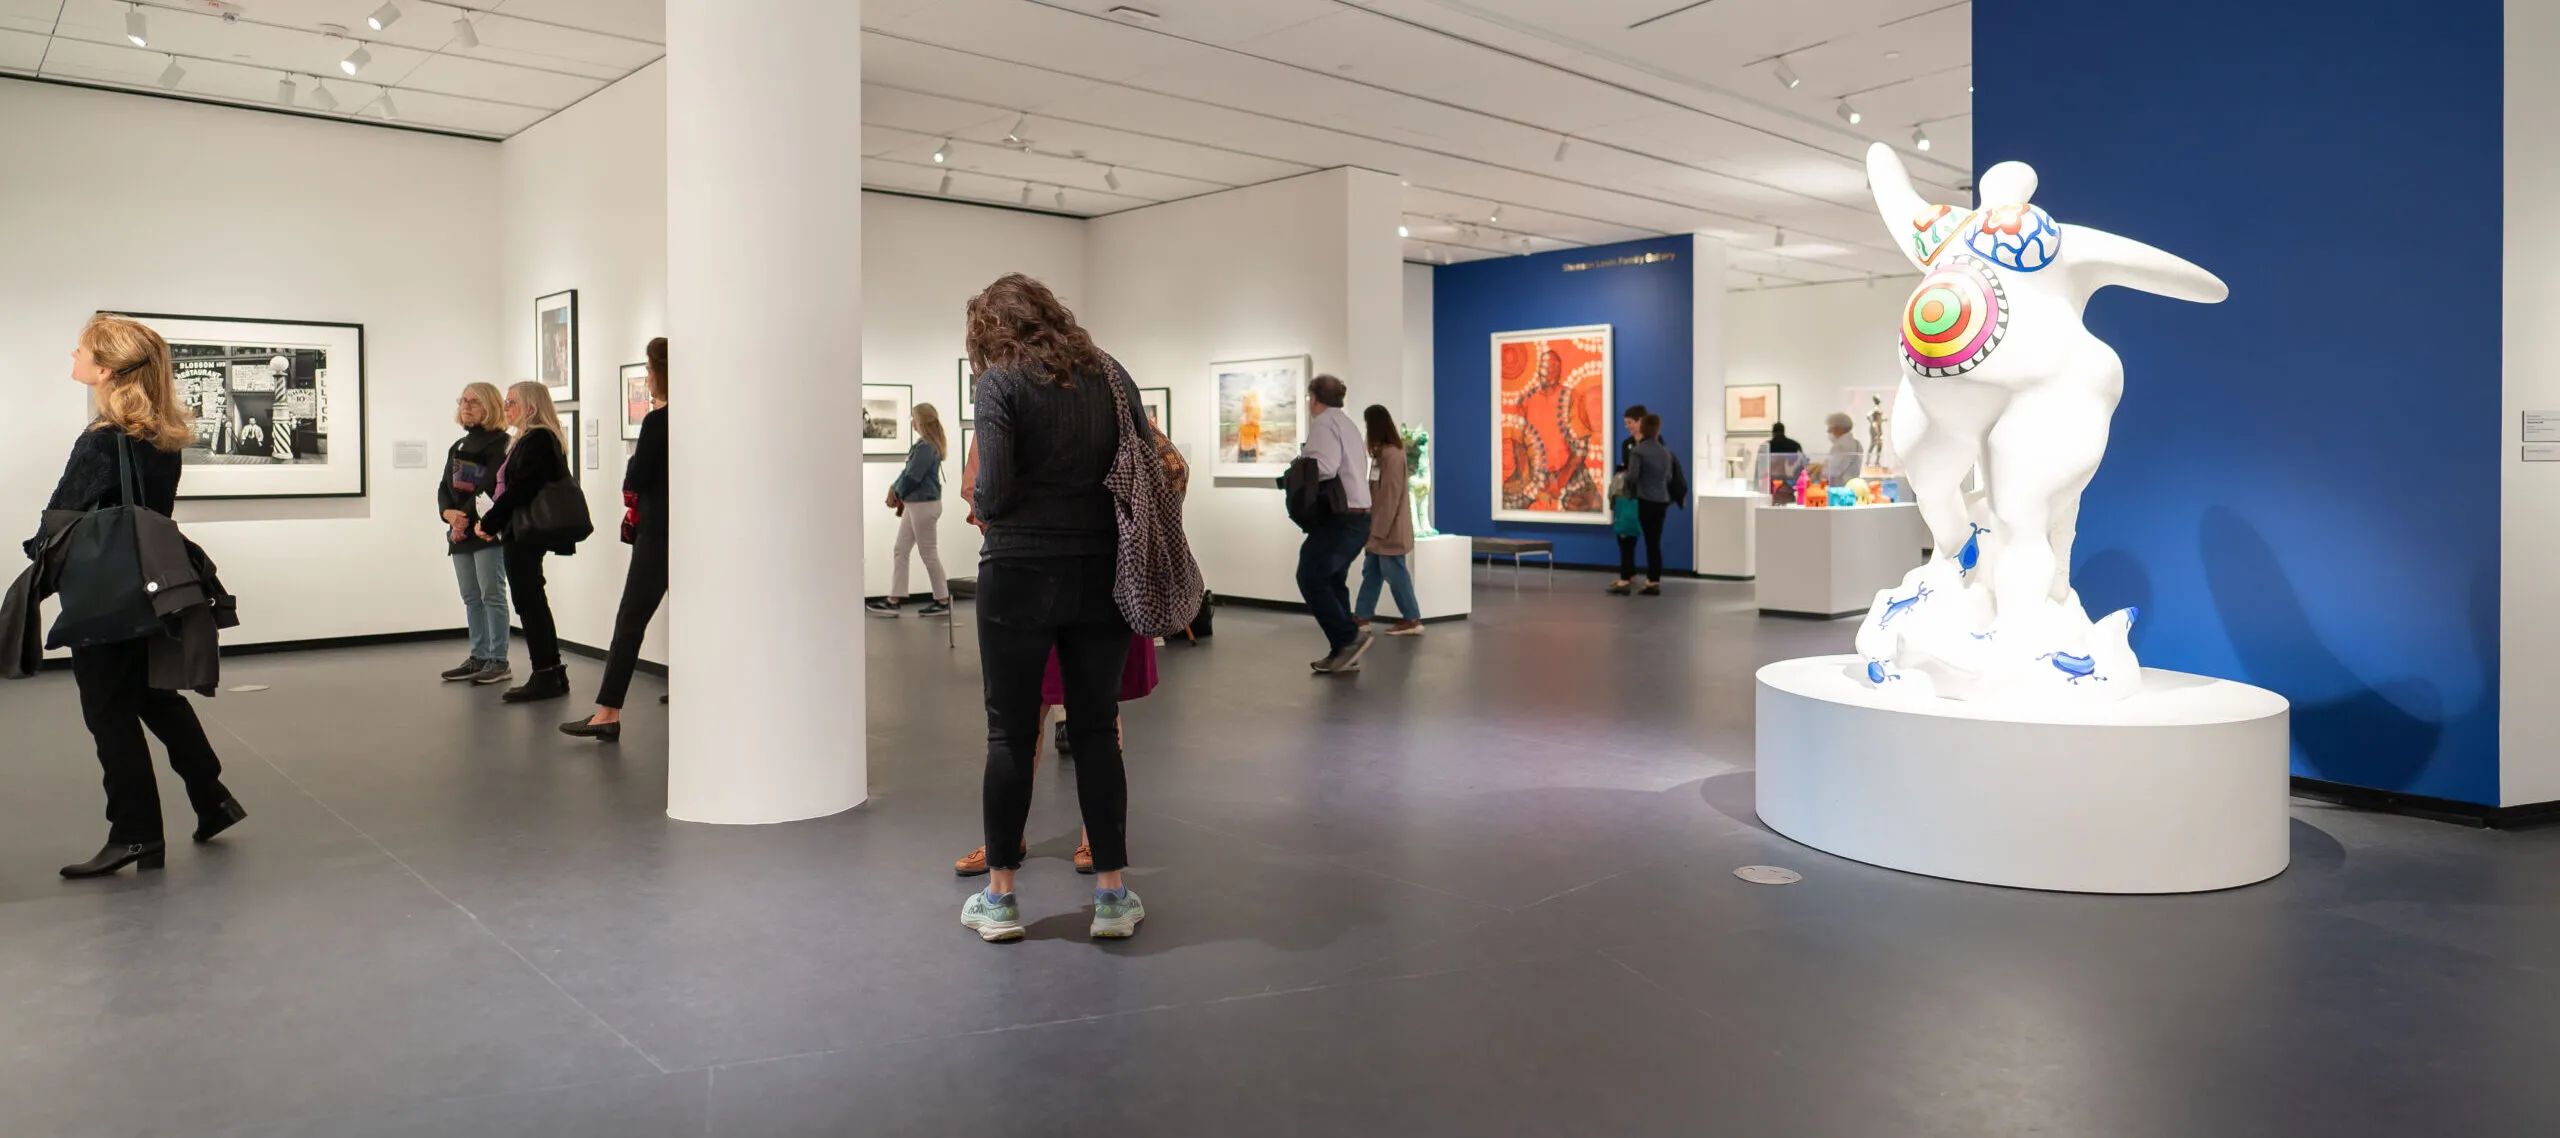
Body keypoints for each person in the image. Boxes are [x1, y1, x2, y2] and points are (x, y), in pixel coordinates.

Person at [961, 272, 1152, 943]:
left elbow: (994, 490)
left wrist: (988, 505)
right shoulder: (1110, 374)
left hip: (1016, 571)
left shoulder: (999, 383)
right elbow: (1144, 460)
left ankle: (1001, 899)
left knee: (1010, 734)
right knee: (1096, 730)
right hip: (1101, 572)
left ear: (991, 330)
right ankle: (1111, 896)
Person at [43, 314, 246, 878]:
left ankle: (134, 836)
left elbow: (61, 519)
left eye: (82, 349)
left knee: (109, 710)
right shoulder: (161, 436)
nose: (74, 355)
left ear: (105, 369)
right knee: (154, 694)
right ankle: (212, 797)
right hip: (153, 584)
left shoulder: (101, 439)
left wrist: (38, 547)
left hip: (106, 593)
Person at [563, 339, 670, 742]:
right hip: (692, 533)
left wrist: (632, 465)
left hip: (658, 533)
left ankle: (608, 711)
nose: (646, 376)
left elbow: (637, 478)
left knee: (630, 619)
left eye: (649, 368)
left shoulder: (659, 421)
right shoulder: (699, 421)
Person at [474, 381, 573, 703]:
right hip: (520, 531)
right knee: (531, 601)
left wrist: (490, 522)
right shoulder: (531, 439)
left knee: (529, 603)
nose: (506, 408)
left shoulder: (539, 438)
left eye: (512, 402)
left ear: (530, 407)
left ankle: (545, 673)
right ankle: (551, 672)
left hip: (525, 532)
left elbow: (520, 490)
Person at [1296, 374, 1372, 674]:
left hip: (1342, 516)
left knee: (1310, 575)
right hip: (1359, 516)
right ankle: (1343, 652)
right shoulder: (1348, 424)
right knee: (1333, 578)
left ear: (1314, 399)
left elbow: (1324, 467)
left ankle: (1348, 638)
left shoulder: (1324, 424)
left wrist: (1299, 466)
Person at [439, 382, 512, 685]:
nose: (466, 407)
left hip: (485, 531)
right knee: (472, 597)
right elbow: (446, 488)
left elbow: (488, 490)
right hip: (461, 531)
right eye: (463, 401)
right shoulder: (459, 445)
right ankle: (478, 656)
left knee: (491, 594)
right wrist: (448, 514)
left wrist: (461, 520)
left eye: (474, 402)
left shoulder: (501, 444)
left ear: (491, 406)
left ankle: (498, 660)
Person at [867, 402, 953, 618]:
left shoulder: (925, 447)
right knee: (901, 549)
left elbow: (912, 476)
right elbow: (908, 473)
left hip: (923, 506)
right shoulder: (925, 444)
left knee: (928, 553)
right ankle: (894, 599)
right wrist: (895, 489)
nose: (912, 422)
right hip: (917, 505)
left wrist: (895, 493)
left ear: (920, 421)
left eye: (913, 418)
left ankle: (942, 601)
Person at [1354, 405, 1422, 636]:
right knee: (1371, 571)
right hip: (1379, 528)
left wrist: (1377, 530)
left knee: (1396, 574)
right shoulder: (1381, 455)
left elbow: (1390, 496)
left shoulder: (1392, 455)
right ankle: (1362, 616)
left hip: (1389, 530)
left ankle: (1412, 619)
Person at [1610, 413, 1675, 596]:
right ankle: (1653, 581)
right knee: (1654, 542)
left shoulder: (1638, 451)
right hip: (1661, 501)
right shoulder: (1665, 452)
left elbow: (1632, 477)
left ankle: (1626, 577)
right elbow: (1668, 477)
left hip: (1643, 500)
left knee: (1628, 537)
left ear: (1643, 428)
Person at [1824, 411, 1863, 486]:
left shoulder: (1840, 446)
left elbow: (1833, 472)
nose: (1828, 432)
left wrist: (1821, 467)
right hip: (1852, 486)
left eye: (1829, 429)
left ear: (1836, 429)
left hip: (1839, 489)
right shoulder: (1857, 444)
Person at [1616, 403, 1650, 471]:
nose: (1627, 426)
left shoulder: (1656, 443)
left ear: (1640, 421)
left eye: (1629, 422)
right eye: (1626, 423)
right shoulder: (1626, 444)